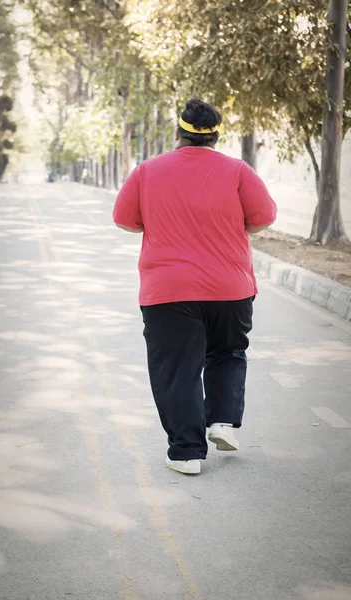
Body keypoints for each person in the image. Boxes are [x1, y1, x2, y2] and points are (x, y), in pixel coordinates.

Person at [113, 98, 277, 475]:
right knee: (228, 352)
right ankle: (221, 421)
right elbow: (264, 217)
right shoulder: (237, 171)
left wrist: (158, 222)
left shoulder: (147, 171)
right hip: (230, 288)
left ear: (178, 134)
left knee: (177, 368)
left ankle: (187, 452)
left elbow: (124, 220)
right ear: (216, 136)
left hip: (168, 291)